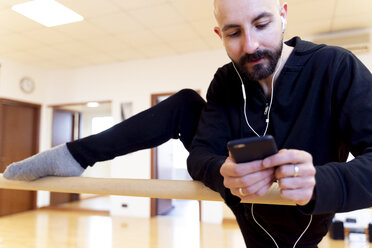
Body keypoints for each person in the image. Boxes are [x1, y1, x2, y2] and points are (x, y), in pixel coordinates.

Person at [3, 0, 372, 247]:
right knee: (183, 104)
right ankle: (73, 155)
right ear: (219, 34)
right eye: (233, 33)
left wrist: (320, 180)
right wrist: (221, 172)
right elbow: (200, 156)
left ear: (284, 14)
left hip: (302, 222)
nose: (250, 45)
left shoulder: (335, 67)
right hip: (243, 203)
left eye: (262, 24)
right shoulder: (226, 80)